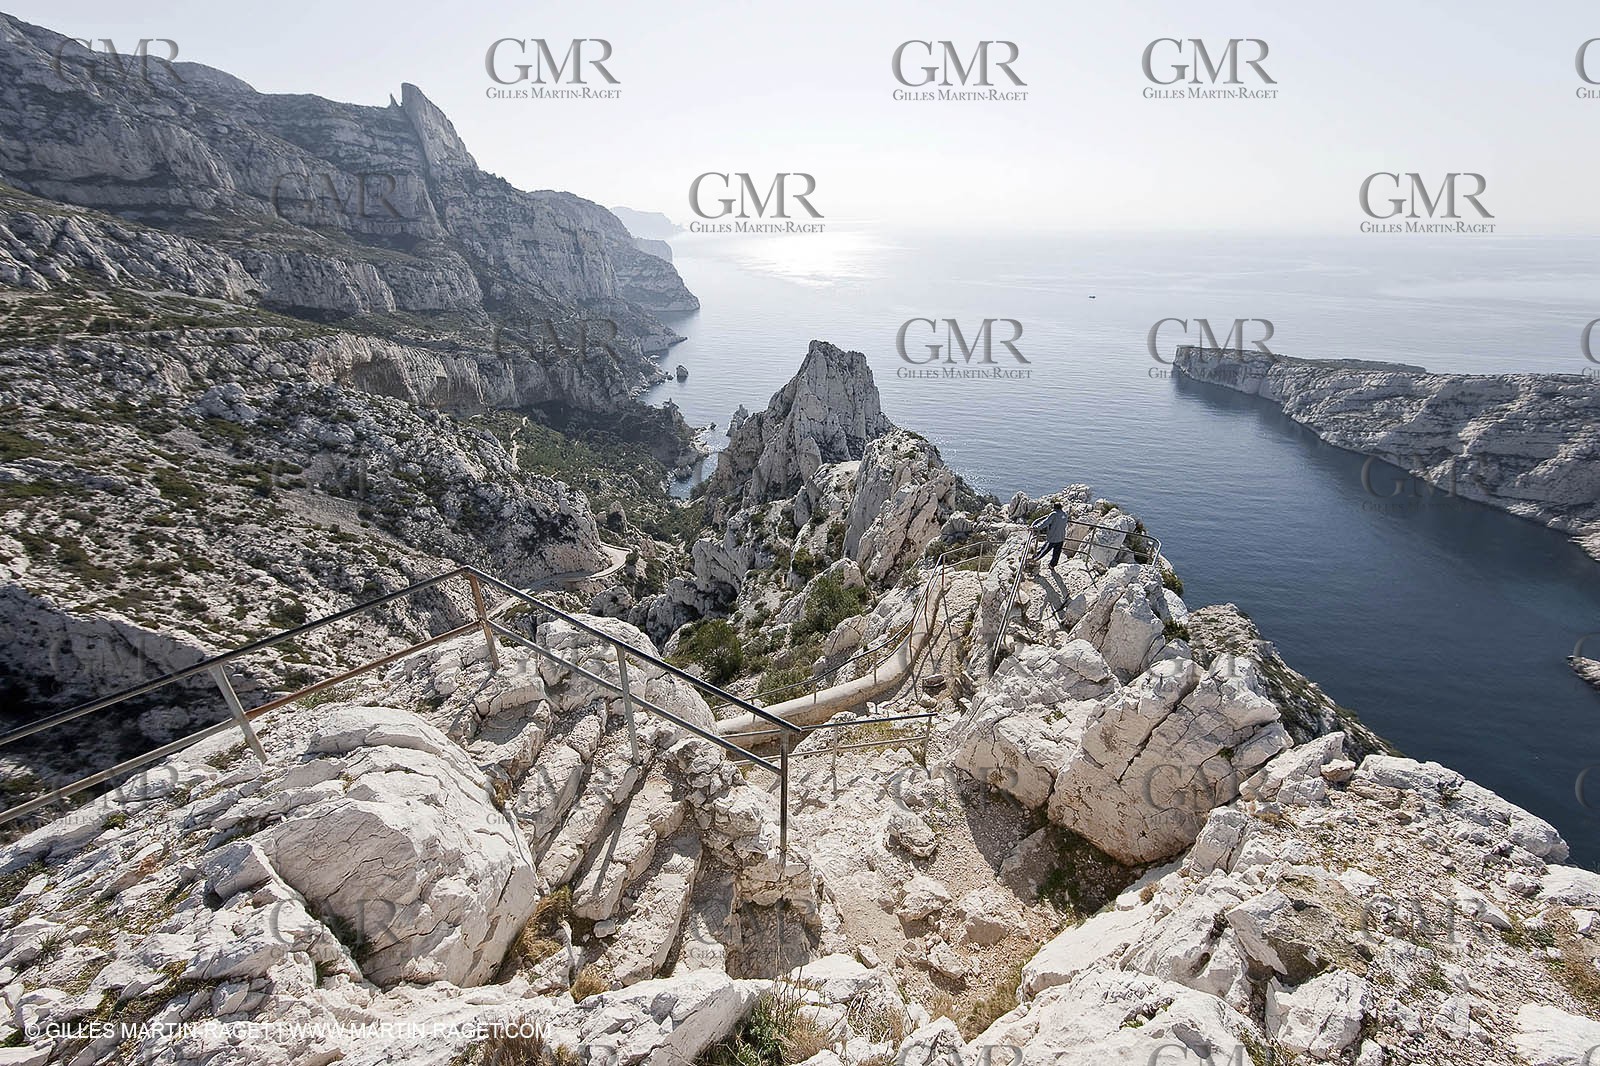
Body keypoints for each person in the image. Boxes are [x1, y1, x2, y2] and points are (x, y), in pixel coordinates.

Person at [1031, 502, 1071, 569]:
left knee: (1044, 550)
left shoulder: (1054, 514)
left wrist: (1036, 527)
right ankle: (1052, 565)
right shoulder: (1065, 514)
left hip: (1053, 537)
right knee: (1057, 553)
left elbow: (1045, 522)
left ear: (1054, 508)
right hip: (1061, 537)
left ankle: (1034, 559)